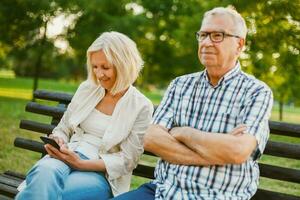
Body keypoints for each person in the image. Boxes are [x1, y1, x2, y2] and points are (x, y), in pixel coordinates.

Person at [114, 6, 273, 200]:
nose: (206, 42)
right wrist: (216, 150)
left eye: (217, 36)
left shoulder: (256, 92)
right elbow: (152, 138)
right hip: (163, 191)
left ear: (239, 45)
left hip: (216, 195)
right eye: (203, 35)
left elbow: (238, 151)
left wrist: (183, 132)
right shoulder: (180, 85)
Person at [16, 31, 154, 200]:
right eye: (95, 66)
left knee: (52, 192)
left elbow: (127, 160)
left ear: (124, 65)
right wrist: (58, 139)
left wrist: (80, 164)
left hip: (100, 174)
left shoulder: (141, 106)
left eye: (105, 67)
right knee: (43, 172)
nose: (98, 74)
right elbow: (63, 128)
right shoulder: (87, 89)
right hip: (67, 155)